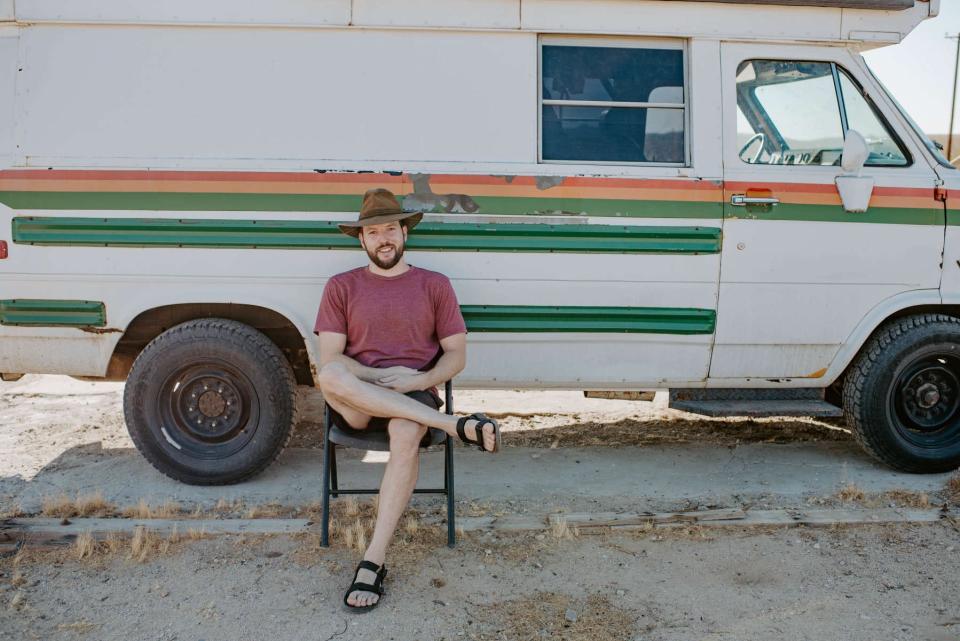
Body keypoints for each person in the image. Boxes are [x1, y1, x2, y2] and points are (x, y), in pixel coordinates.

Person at [314, 188, 501, 613]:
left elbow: (457, 355)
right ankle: (456, 426)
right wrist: (381, 379)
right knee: (329, 374)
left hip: (415, 392)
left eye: (390, 229)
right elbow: (332, 359)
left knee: (405, 431)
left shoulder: (434, 285)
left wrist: (421, 377)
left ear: (404, 234)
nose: (383, 238)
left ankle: (372, 560)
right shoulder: (341, 286)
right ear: (361, 239)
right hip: (358, 399)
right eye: (373, 231)